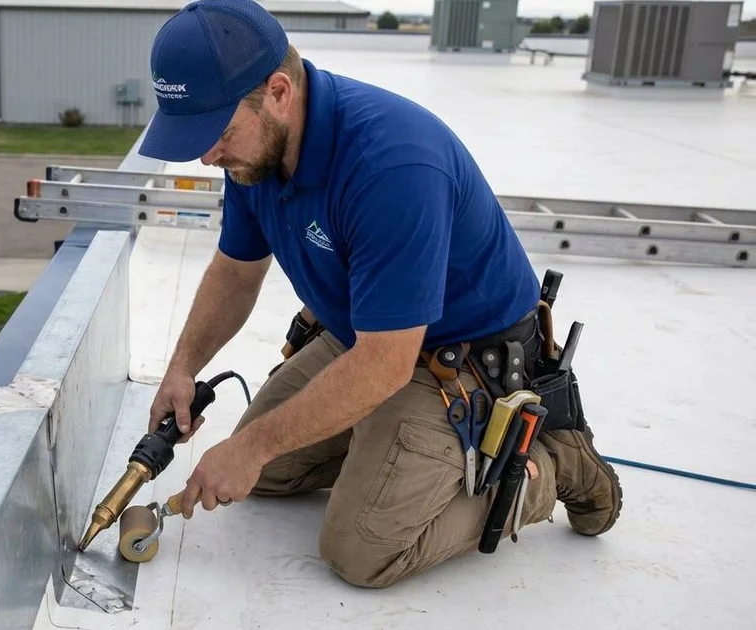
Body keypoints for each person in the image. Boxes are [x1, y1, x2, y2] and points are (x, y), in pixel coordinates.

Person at [139, 0, 623, 589]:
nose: (207, 154)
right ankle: (398, 457)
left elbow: (387, 363)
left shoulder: (392, 165)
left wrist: (257, 445)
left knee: (360, 551)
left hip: (457, 359)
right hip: (364, 335)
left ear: (278, 92)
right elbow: (237, 270)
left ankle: (553, 464)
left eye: (216, 133)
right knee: (262, 473)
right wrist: (183, 368)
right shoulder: (253, 157)